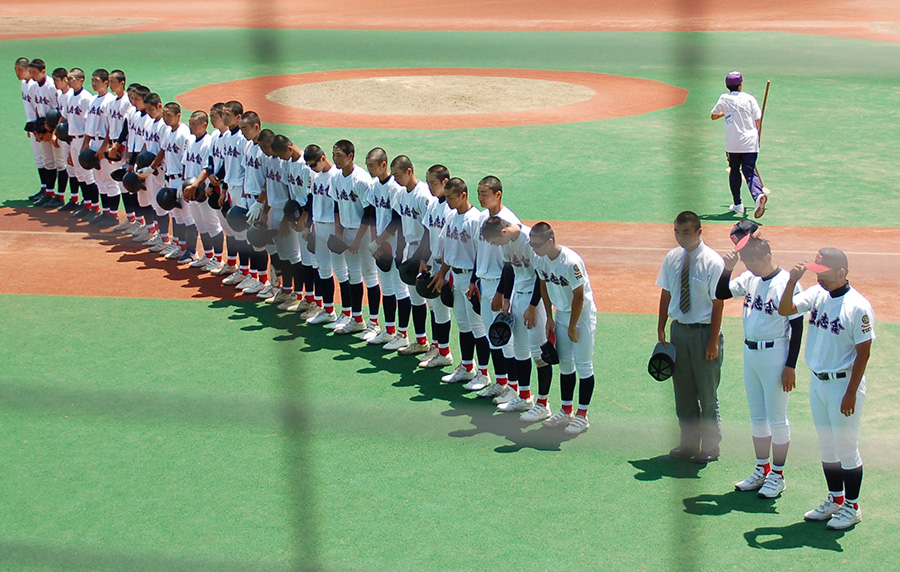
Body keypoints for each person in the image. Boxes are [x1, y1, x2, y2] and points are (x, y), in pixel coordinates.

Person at [779, 248, 875, 530]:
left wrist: (850, 393)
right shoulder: (817, 295)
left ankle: (852, 507)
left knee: (846, 448)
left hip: (844, 385)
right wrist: (791, 281)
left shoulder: (858, 306)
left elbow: (864, 352)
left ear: (842, 273)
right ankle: (835, 499)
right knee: (826, 447)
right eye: (816, 271)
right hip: (818, 383)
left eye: (824, 272)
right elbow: (786, 309)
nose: (818, 277)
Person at [716, 233, 803, 498]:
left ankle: (777, 474)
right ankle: (762, 469)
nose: (749, 266)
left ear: (768, 256)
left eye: (752, 261)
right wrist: (728, 269)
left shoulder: (787, 283)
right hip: (750, 353)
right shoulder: (750, 279)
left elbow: (797, 327)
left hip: (776, 354)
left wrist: (791, 366)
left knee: (777, 419)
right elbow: (720, 292)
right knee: (757, 417)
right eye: (745, 261)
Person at [656, 211, 725, 463]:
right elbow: (666, 293)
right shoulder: (672, 258)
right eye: (676, 231)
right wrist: (662, 326)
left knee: (707, 394)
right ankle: (688, 444)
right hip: (679, 332)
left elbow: (718, 304)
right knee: (683, 392)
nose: (680, 237)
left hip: (704, 332)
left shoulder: (713, 262)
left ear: (699, 232)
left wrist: (712, 341)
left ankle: (710, 446)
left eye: (685, 232)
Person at [480, 216, 552, 421]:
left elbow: (541, 276)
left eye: (495, 241)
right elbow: (509, 268)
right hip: (518, 297)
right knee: (520, 350)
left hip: (534, 300)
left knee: (538, 353)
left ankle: (544, 404)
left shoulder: (529, 241)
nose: (495, 246)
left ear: (503, 232)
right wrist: (505, 297)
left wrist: (532, 306)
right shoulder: (506, 243)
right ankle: (524, 396)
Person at [528, 222, 597, 435]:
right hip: (561, 315)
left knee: (583, 365)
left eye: (537, 245)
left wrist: (573, 325)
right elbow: (543, 285)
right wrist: (549, 316)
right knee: (565, 365)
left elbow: (579, 295)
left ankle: (582, 416)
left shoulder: (570, 261)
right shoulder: (540, 259)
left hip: (581, 316)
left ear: (550, 241)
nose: (534, 249)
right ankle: (566, 410)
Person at [711, 70, 765, 218]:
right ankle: (758, 195)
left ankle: (738, 204)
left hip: (733, 144)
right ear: (740, 85)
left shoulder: (724, 98)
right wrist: (758, 136)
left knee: (735, 171)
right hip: (750, 142)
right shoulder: (750, 99)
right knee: (749, 171)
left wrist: (726, 113)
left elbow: (713, 115)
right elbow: (758, 120)